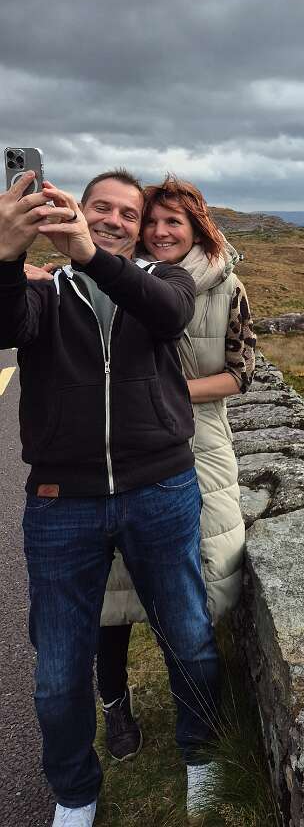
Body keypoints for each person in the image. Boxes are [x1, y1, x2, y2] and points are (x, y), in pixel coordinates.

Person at [0, 169, 221, 827]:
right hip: (61, 500)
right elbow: (6, 326)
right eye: (101, 207)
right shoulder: (45, 290)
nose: (115, 220)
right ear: (75, 208)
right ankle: (74, 792)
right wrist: (8, 256)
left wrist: (90, 256)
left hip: (162, 488)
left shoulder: (162, 280)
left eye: (129, 213)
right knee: (59, 668)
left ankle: (204, 754)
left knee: (188, 635)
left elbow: (171, 315)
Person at [95, 176, 255, 760]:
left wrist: (166, 391)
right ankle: (115, 704)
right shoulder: (114, 276)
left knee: (195, 583)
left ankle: (199, 722)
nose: (160, 232)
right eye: (152, 222)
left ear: (196, 229)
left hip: (200, 444)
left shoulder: (227, 286)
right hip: (121, 448)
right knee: (111, 595)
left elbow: (240, 373)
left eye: (174, 223)